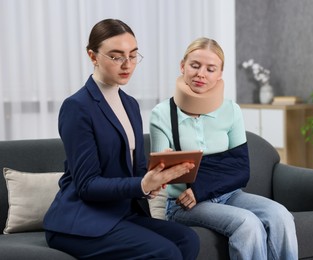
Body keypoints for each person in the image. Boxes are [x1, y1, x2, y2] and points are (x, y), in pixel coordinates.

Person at [43, 19, 200, 260]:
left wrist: (157, 173)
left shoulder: (130, 104)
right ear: (92, 56)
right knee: (165, 252)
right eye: (116, 57)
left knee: (187, 239)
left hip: (121, 213)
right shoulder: (77, 107)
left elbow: (135, 170)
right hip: (81, 219)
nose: (127, 64)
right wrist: (142, 185)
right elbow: (86, 185)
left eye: (133, 55)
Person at [149, 37, 298, 260]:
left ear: (219, 74)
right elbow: (158, 178)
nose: (201, 74)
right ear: (183, 66)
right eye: (195, 65)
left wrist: (200, 187)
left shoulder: (231, 110)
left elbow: (240, 169)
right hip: (182, 204)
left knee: (281, 214)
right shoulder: (162, 114)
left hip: (228, 194)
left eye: (211, 69)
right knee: (248, 224)